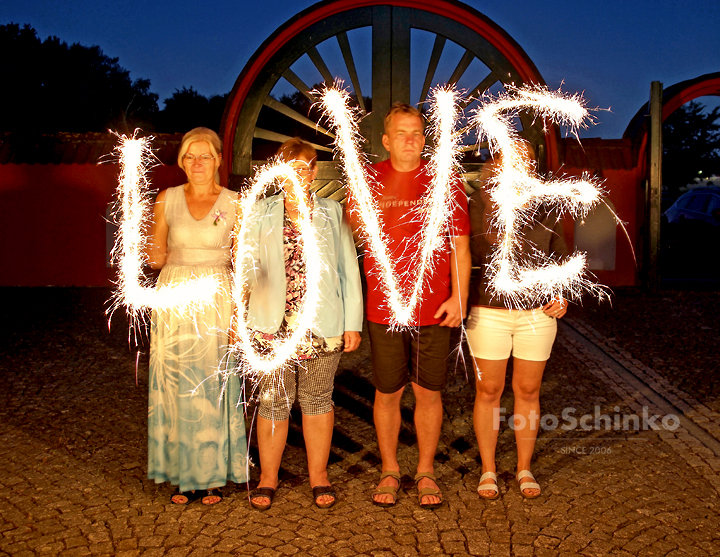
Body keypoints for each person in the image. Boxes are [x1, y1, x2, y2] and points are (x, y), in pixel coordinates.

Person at [348, 103, 471, 509]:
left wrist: (460, 296)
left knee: (428, 393)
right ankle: (389, 469)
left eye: (417, 132)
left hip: (434, 307)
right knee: (387, 392)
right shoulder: (367, 180)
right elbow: (347, 244)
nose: (411, 139)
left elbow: (461, 246)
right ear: (386, 140)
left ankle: (425, 470)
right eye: (402, 133)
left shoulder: (444, 181)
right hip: (384, 308)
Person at [243, 138, 363, 510]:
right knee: (274, 400)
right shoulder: (259, 212)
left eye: (307, 166)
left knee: (316, 398)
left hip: (321, 322)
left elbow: (348, 270)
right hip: (270, 323)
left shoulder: (332, 212)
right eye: (292, 166)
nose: (301, 173)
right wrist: (240, 317)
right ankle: (268, 477)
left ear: (314, 171)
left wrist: (352, 321)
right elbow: (245, 271)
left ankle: (319, 475)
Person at [145, 127, 247, 505]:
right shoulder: (167, 199)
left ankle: (213, 473)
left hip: (218, 298)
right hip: (174, 298)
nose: (198, 162)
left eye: (205, 155)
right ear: (182, 161)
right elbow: (155, 255)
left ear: (219, 160)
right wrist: (148, 250)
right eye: (190, 156)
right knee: (177, 383)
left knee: (211, 384)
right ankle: (182, 474)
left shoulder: (236, 202)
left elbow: (243, 263)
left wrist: (238, 316)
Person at [468, 143, 568, 500]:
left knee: (528, 391)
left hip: (537, 316)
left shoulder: (546, 205)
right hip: (488, 311)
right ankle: (488, 469)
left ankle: (524, 467)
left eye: (524, 161)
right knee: (489, 391)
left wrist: (560, 294)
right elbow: (465, 254)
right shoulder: (478, 203)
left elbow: (559, 259)